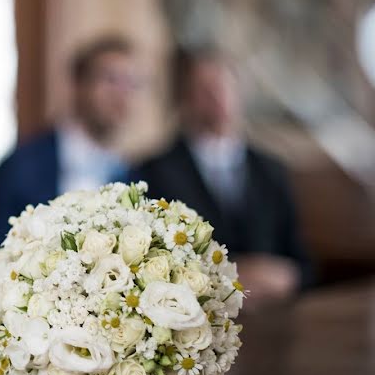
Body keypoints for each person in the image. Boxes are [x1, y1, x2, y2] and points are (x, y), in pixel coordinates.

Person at [130, 44, 313, 304]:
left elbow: (303, 264)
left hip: (274, 316)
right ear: (184, 98)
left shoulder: (271, 169)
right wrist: (230, 275)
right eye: (205, 89)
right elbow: (151, 262)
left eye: (225, 87)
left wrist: (286, 276)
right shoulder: (154, 171)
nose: (219, 97)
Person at [0, 35, 140, 256]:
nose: (121, 94)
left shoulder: (133, 175)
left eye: (130, 83)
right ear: (79, 85)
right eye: (110, 79)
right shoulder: (22, 166)